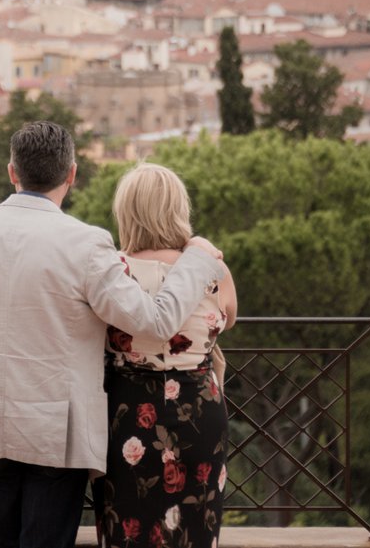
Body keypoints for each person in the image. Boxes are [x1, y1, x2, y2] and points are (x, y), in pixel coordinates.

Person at [0, 122, 224, 548]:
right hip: (54, 431)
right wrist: (196, 259)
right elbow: (155, 323)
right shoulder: (86, 244)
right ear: (72, 174)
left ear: (12, 172)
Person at [93, 162, 236, 548]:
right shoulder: (212, 268)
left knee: (126, 527)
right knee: (196, 529)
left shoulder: (112, 271)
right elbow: (229, 319)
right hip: (200, 409)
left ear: (127, 212)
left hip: (126, 410)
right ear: (178, 209)